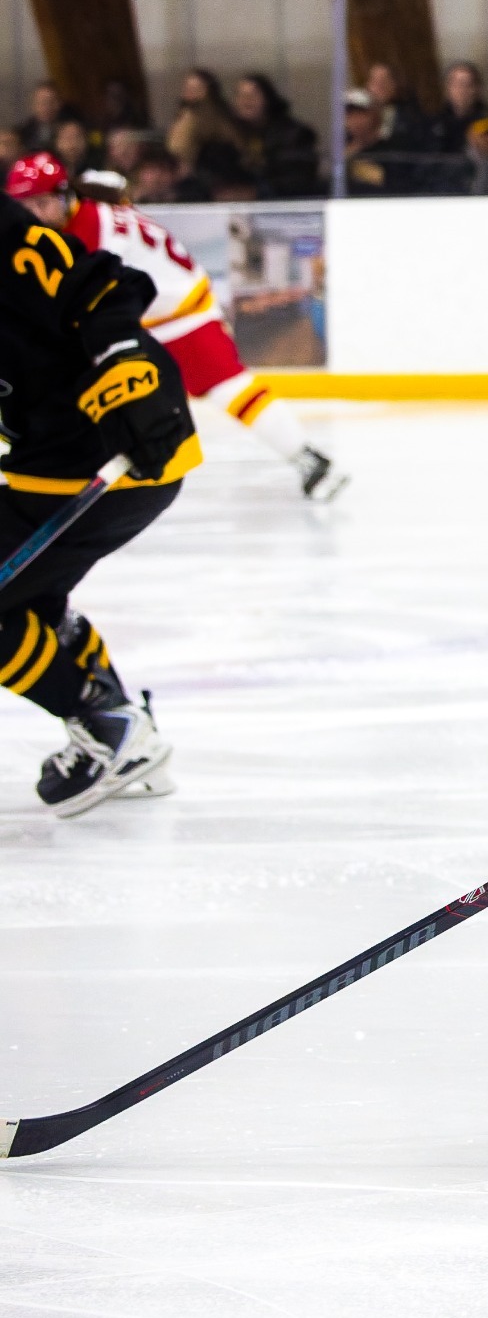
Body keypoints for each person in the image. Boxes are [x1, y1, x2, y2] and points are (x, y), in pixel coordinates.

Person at [0, 186, 196, 815]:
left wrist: (125, 374)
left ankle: (109, 726)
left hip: (118, 450)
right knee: (27, 596)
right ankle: (116, 719)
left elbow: (104, 288)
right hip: (44, 465)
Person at [9, 153, 348, 500]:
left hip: (180, 315)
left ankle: (308, 459)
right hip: (165, 308)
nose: (35, 214)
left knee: (229, 389)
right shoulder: (86, 213)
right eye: (26, 206)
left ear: (64, 195)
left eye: (42, 203)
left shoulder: (87, 232)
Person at [231, 74, 320, 198]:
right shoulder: (229, 135)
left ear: (267, 99)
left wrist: (256, 192)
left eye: (253, 95)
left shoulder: (293, 134)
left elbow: (297, 181)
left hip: (283, 207)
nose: (246, 100)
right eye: (241, 95)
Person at [167, 70, 243, 190]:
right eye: (188, 87)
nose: (190, 92)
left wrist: (185, 163)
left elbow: (183, 146)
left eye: (196, 88)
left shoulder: (209, 115)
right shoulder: (184, 113)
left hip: (210, 176)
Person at [435, 61, 488, 156]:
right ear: (447, 88)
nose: (463, 90)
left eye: (468, 85)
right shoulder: (434, 116)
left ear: (478, 89)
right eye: (457, 84)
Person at [16, 82, 75, 153]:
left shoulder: (72, 130)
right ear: (33, 104)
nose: (47, 106)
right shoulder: (22, 134)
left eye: (52, 101)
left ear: (60, 103)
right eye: (42, 102)